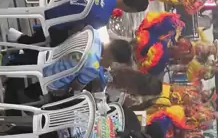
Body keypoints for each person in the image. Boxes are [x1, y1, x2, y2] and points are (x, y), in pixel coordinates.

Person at [6, 0, 148, 46]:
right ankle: (23, 41)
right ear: (130, 10)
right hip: (52, 16)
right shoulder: (103, 18)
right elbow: (78, 30)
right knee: (65, 44)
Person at [2, 34, 133, 104]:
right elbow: (76, 86)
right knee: (64, 89)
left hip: (53, 54)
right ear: (113, 58)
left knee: (64, 71)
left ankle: (15, 60)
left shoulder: (93, 34)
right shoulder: (93, 67)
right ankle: (24, 94)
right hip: (52, 75)